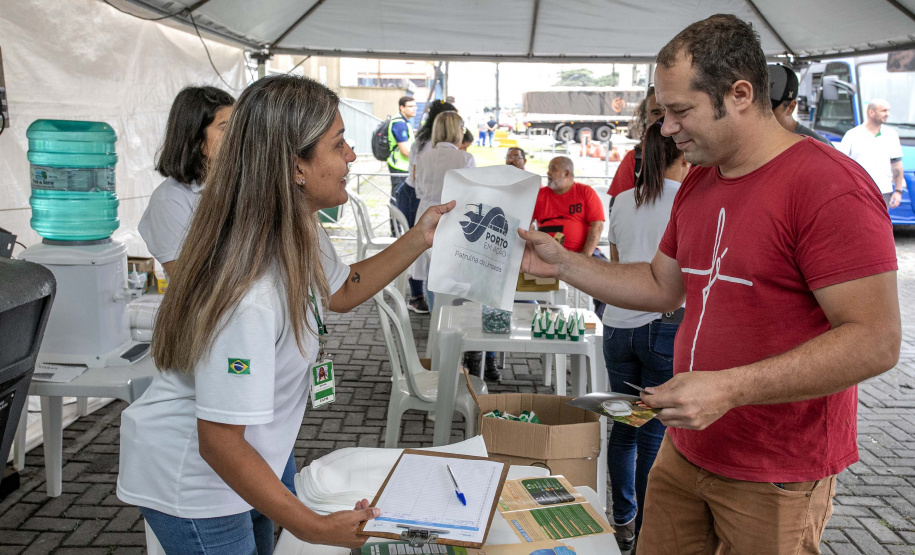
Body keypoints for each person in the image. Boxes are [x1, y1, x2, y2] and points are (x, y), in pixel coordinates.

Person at [518, 14, 899, 554]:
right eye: (663, 111)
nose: (665, 128)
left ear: (740, 94)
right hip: (687, 447)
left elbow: (875, 340)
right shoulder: (701, 177)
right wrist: (566, 264)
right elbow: (660, 285)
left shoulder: (827, 186)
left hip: (776, 471)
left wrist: (728, 388)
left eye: (680, 111)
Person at [117, 75, 456, 554]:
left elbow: (341, 290)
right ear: (295, 164)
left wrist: (420, 237)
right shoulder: (251, 292)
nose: (353, 157)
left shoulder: (297, 226)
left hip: (255, 458)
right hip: (197, 482)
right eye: (339, 145)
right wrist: (314, 528)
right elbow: (218, 442)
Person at [602, 118, 689, 552]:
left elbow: (618, 270)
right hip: (664, 326)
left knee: (624, 428)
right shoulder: (687, 199)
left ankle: (622, 520)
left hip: (616, 327)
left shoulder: (620, 200)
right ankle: (646, 529)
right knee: (654, 431)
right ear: (681, 152)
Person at [138, 86, 234, 279]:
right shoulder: (169, 201)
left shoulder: (230, 187)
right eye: (225, 128)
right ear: (196, 137)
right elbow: (187, 282)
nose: (235, 136)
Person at [412, 111, 474, 310]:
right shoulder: (465, 158)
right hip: (455, 216)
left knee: (432, 270)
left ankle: (434, 315)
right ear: (458, 131)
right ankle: (452, 316)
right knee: (455, 271)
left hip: (426, 214)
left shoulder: (423, 158)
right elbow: (472, 193)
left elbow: (418, 189)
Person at [400, 100, 457, 314]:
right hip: (420, 198)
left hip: (421, 196)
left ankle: (425, 296)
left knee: (424, 249)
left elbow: (416, 181)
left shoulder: (425, 142)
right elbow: (415, 179)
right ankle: (418, 295)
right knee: (419, 248)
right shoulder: (427, 145)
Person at [532, 156, 606, 318]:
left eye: (553, 168)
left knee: (609, 283)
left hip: (582, 253)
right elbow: (526, 224)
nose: (548, 172)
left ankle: (603, 324)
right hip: (546, 255)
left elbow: (597, 226)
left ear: (566, 173)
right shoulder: (540, 195)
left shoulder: (585, 192)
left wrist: (584, 258)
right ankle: (538, 317)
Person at [839, 99, 906, 208]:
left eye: (888, 111)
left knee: (881, 225)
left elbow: (897, 165)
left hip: (883, 192)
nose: (887, 114)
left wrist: (898, 191)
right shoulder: (852, 135)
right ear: (871, 113)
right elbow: (840, 164)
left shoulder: (891, 135)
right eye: (883, 111)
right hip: (858, 192)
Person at [607, 87, 666, 201]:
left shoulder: (698, 160)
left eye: (671, 110)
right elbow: (618, 209)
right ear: (645, 117)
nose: (664, 118)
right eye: (656, 112)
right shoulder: (634, 160)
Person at [768, 64, 831, 145]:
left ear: (791, 107)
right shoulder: (753, 142)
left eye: (768, 108)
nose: (759, 114)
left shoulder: (820, 147)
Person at [388, 96, 417, 222]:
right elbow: (405, 151)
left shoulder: (404, 122)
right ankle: (396, 232)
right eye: (410, 106)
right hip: (399, 167)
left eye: (415, 106)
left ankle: (398, 230)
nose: (414, 109)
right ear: (402, 108)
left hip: (403, 167)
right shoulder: (399, 123)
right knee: (397, 199)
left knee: (400, 198)